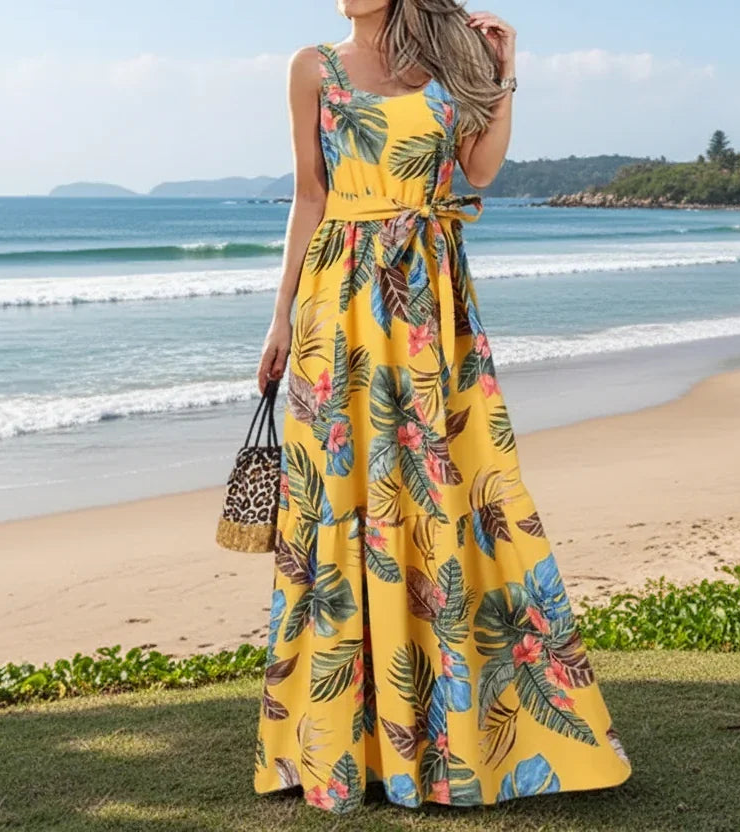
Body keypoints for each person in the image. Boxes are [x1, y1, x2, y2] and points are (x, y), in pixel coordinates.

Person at [252, 0, 632, 814]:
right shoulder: (310, 67)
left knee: (453, 494)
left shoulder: (448, 59)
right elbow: (308, 197)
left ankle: (459, 739)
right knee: (344, 505)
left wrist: (503, 75)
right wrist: (280, 317)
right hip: (339, 305)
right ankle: (339, 749)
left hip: (430, 304)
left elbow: (482, 170)